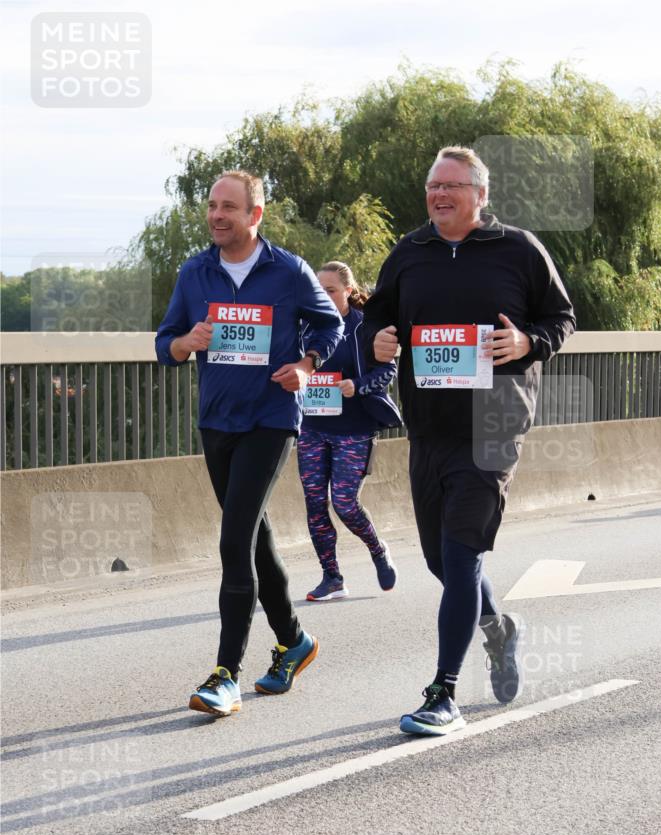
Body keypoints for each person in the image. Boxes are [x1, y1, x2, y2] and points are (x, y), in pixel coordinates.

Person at [366, 145, 575, 736]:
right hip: (429, 426)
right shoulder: (409, 252)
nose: (439, 195)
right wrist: (377, 341)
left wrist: (528, 343)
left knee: (461, 555)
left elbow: (561, 317)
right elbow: (375, 318)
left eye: (452, 186)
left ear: (480, 195)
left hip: (493, 424)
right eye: (433, 186)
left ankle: (444, 693)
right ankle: (499, 630)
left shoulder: (519, 249)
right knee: (440, 560)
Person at [155, 171, 343, 716]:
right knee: (255, 537)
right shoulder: (195, 272)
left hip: (271, 418)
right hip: (218, 421)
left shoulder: (287, 271)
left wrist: (307, 366)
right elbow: (165, 342)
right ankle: (295, 641)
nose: (217, 215)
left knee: (234, 539)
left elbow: (330, 325)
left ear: (254, 215)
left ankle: (224, 676)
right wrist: (186, 342)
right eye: (212, 206)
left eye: (229, 208)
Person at [298, 261, 402, 601]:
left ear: (347, 291)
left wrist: (355, 386)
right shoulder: (305, 327)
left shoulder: (364, 326)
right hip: (312, 427)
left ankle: (377, 548)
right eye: (319, 290)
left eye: (330, 290)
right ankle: (332, 577)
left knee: (343, 502)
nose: (323, 296)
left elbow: (388, 371)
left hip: (353, 429)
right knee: (315, 503)